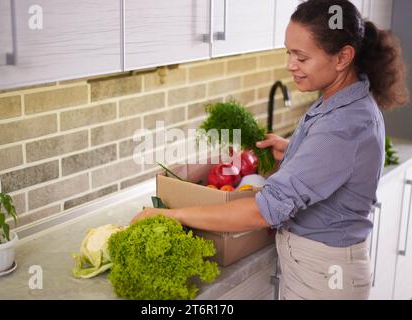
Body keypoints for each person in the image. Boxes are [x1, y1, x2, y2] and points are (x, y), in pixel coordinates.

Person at [131, 0, 409, 300]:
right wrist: (297, 150)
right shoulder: (344, 97)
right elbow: (337, 162)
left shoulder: (344, 123)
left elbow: (263, 211)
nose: (291, 65)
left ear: (343, 57)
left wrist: (174, 215)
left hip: (325, 279)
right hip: (320, 269)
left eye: (301, 57)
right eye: (289, 53)